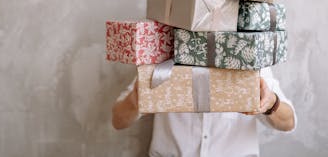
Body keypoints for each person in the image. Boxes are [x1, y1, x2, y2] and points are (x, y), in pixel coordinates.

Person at [112, 66, 296, 157]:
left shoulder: (250, 60)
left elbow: (289, 122)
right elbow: (118, 120)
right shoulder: (163, 60)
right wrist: (137, 100)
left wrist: (271, 102)